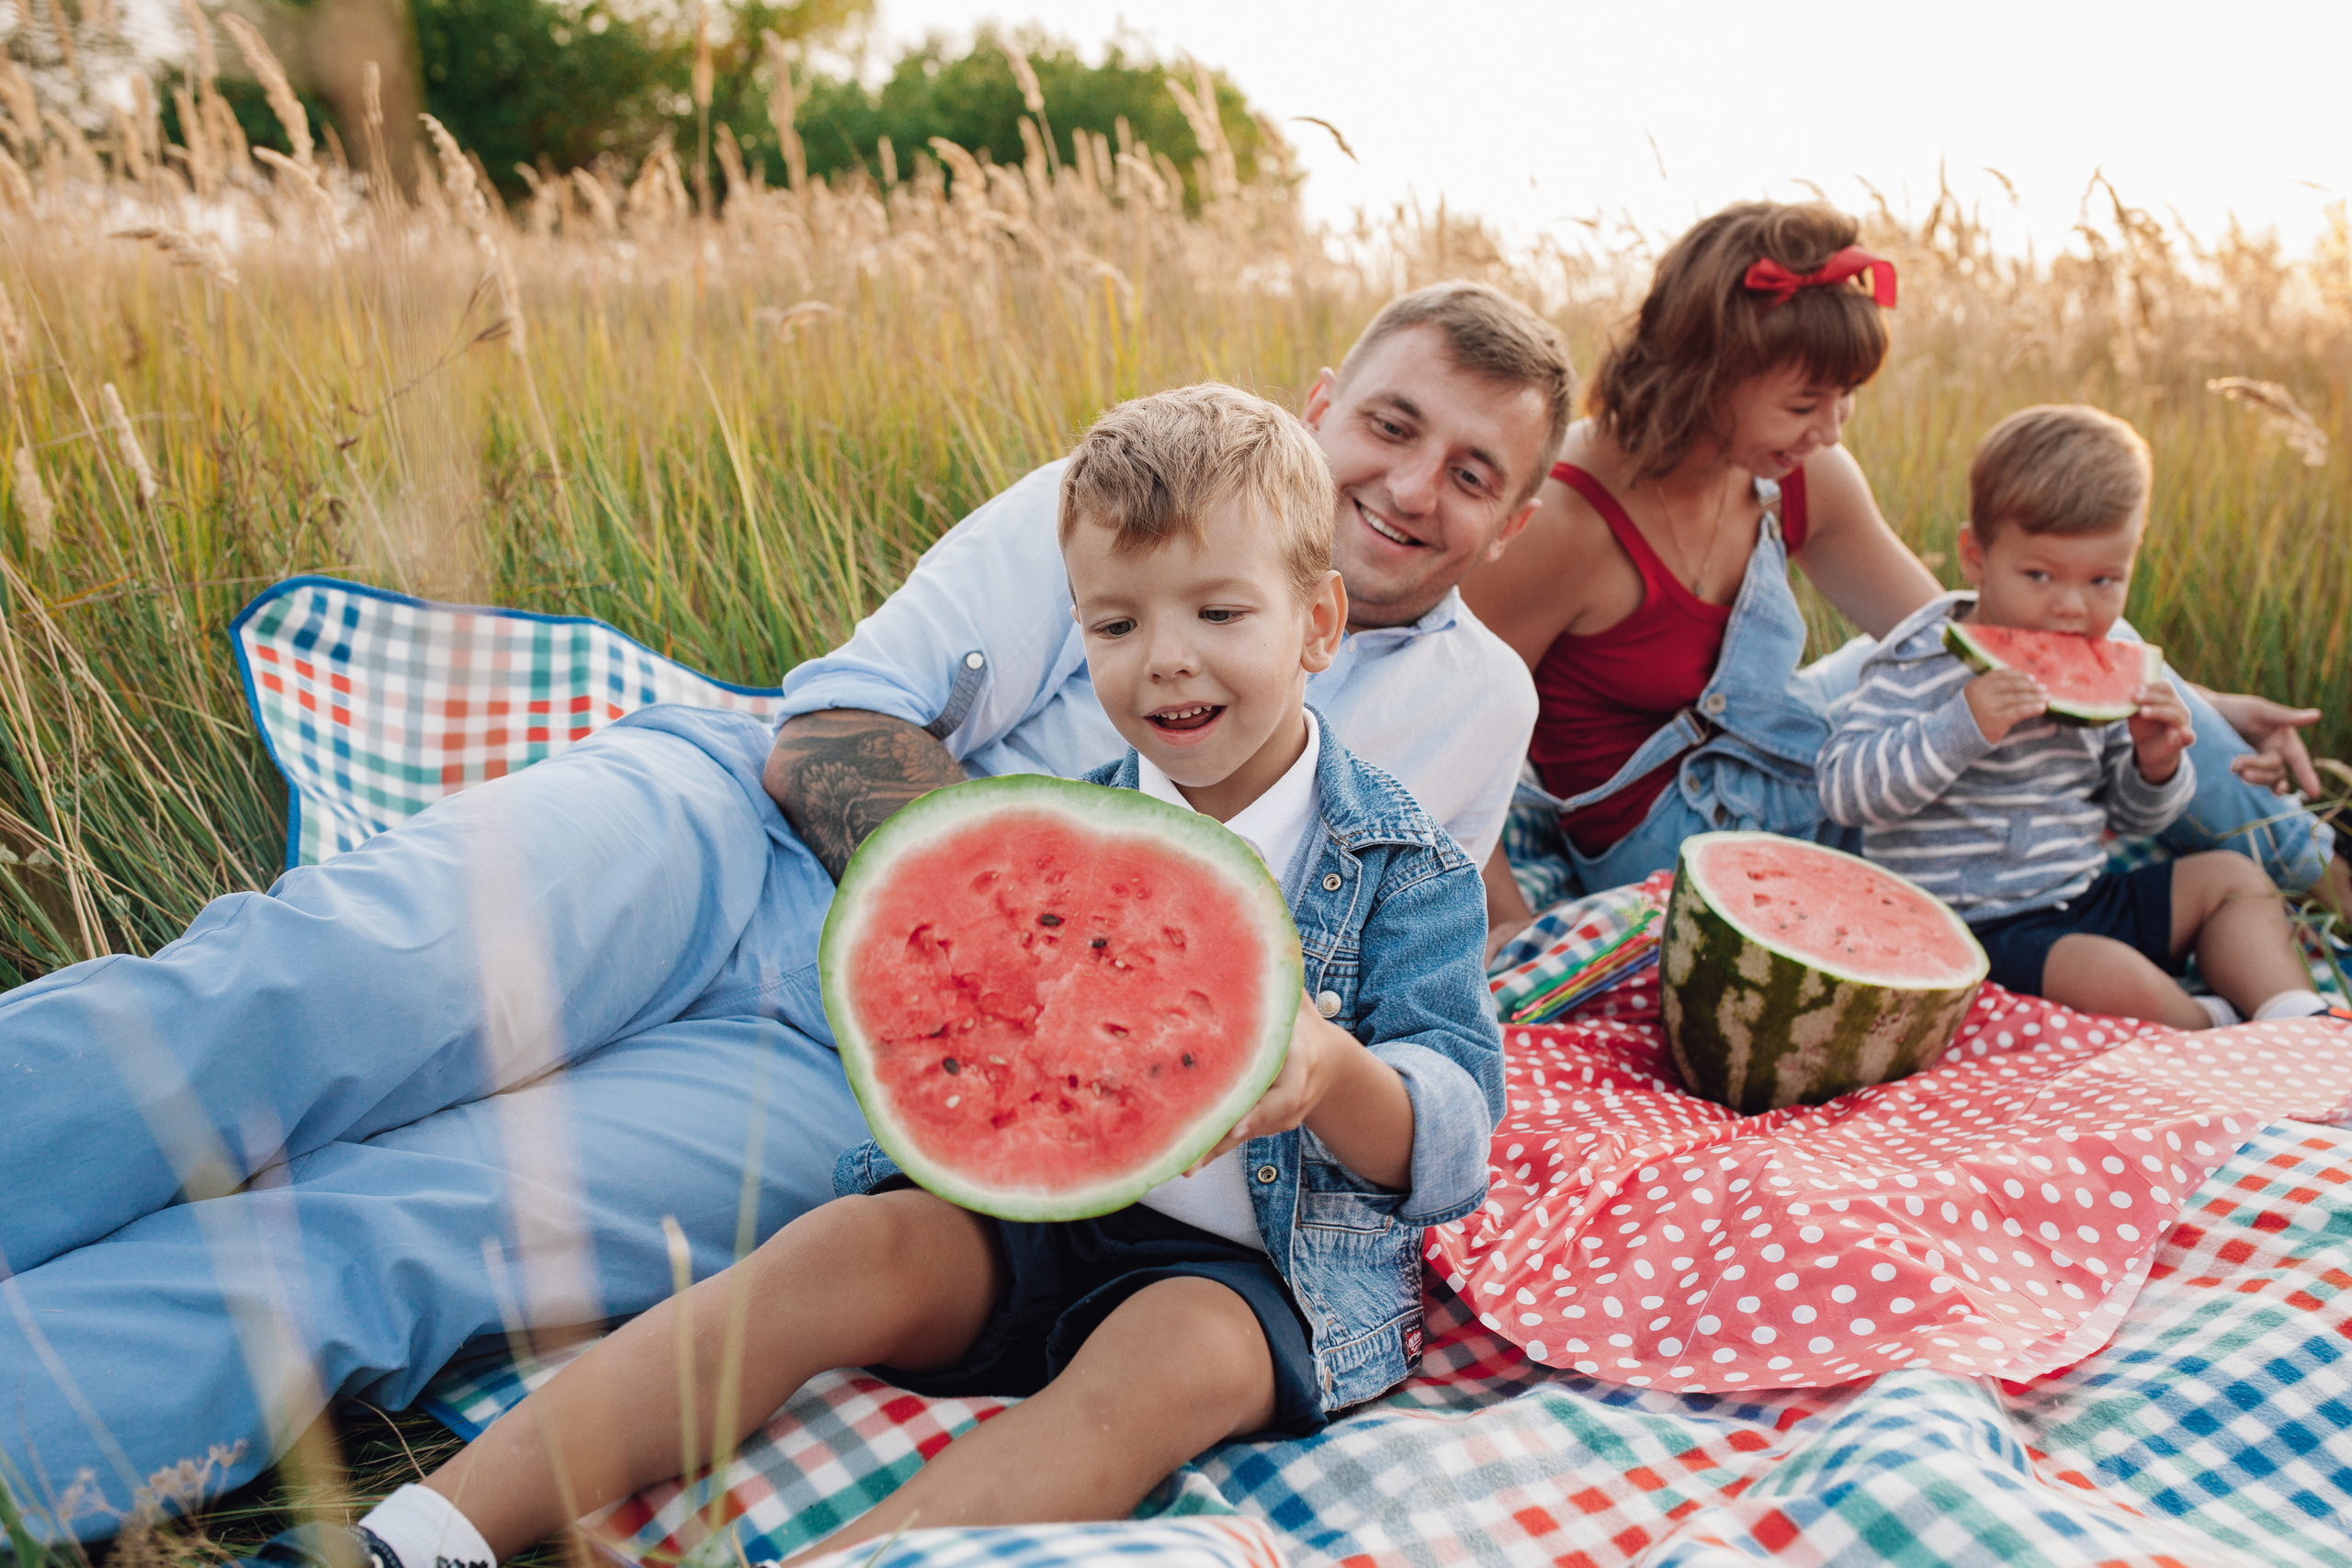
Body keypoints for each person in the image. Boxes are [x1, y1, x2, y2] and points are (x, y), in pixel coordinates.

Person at [0, 283, 1566, 1534]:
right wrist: (1008, 918)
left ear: (1514, 521)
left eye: (1472, 471)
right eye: (1392, 423)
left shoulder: (1479, 710)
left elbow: (1397, 987)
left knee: (411, 1239)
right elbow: (836, 722)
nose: (1413, 483)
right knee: (307, 985)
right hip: (730, 835)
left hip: (870, 1084)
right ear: (1323, 410)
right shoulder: (1139, 490)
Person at [1463, 201, 2343, 949]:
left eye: (1845, 400)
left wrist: (2203, 705)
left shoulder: (1795, 474)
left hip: (1785, 759)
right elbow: (1457, 738)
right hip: (1674, 845)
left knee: (2081, 640)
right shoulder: (1567, 520)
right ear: (1707, 375)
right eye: (1807, 404)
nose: (1832, 431)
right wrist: (1508, 927)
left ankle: (2326, 873)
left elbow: (1986, 641)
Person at [1819, 406, 2330, 1029]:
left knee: (2236, 879)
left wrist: (2156, 765)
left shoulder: (2106, 656)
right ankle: (2210, 1029)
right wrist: (1962, 726)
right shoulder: (1917, 657)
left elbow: (2133, 818)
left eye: (2103, 580)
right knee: (2108, 974)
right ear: (1975, 556)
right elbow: (1847, 792)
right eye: (2039, 575)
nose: (2070, 606)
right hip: (1972, 928)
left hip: (2085, 895)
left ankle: (2295, 1013)